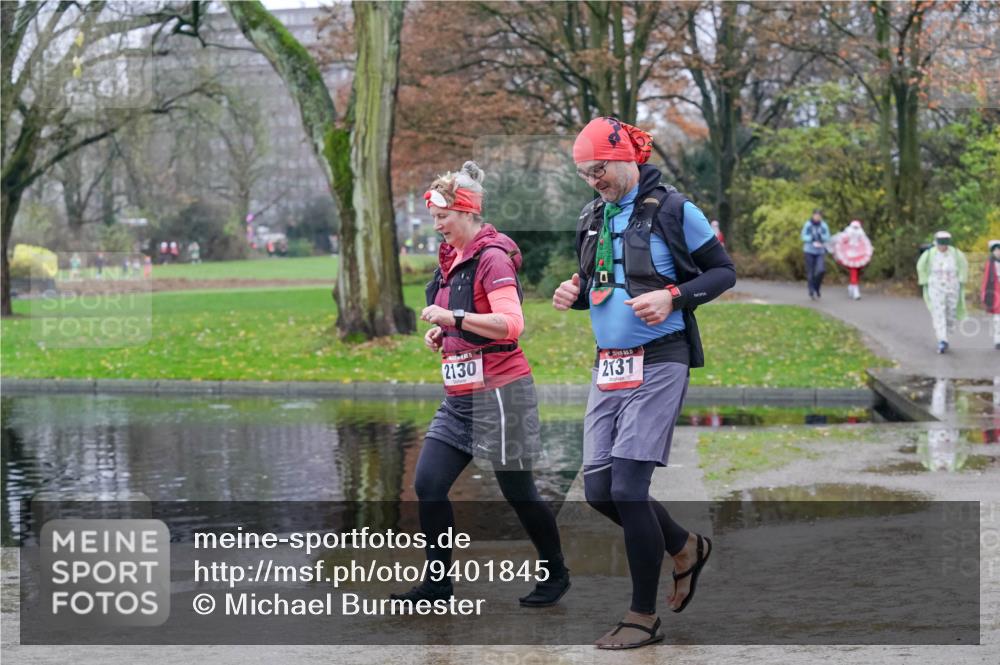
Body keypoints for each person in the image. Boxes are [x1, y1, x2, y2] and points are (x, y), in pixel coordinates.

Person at [552, 117, 735, 649]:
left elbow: (722, 272)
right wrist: (575, 293)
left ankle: (642, 616)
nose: (594, 181)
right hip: (609, 364)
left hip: (660, 359)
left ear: (626, 157)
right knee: (599, 491)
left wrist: (673, 297)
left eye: (600, 169)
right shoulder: (591, 216)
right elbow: (597, 283)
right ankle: (684, 547)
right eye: (585, 174)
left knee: (630, 488)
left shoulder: (677, 211)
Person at [390, 161, 570, 609]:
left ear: (467, 212)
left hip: (502, 395)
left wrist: (453, 318)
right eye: (433, 218)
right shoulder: (452, 260)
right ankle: (437, 585)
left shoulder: (491, 259)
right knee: (428, 484)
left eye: (443, 217)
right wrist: (445, 333)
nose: (437, 226)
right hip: (459, 399)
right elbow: (464, 319)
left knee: (518, 491)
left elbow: (512, 324)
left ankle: (556, 572)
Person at [917, 231, 969, 354]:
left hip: (952, 287)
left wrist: (962, 278)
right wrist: (924, 280)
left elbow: (963, 265)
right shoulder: (930, 254)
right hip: (935, 287)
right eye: (940, 245)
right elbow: (920, 266)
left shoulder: (955, 253)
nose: (942, 247)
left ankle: (947, 330)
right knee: (938, 312)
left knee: (951, 312)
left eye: (944, 245)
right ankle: (942, 339)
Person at [832, 220, 874, 300]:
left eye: (857, 228)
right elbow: (839, 243)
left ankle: (852, 286)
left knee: (857, 271)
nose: (855, 230)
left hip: (858, 256)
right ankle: (855, 290)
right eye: (854, 228)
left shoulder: (862, 236)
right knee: (853, 270)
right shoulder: (846, 235)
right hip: (849, 256)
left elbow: (866, 244)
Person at [801, 208, 830, 300]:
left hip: (820, 251)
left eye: (819, 216)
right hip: (809, 250)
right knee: (811, 272)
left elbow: (827, 237)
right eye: (816, 215)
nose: (817, 217)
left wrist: (822, 237)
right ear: (813, 215)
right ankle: (811, 291)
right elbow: (803, 236)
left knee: (821, 270)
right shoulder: (808, 224)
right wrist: (811, 238)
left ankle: (817, 287)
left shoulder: (824, 225)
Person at [982, 239, 1000, 350]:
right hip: (996, 292)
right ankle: (998, 339)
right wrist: (985, 294)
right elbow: (986, 280)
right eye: (996, 250)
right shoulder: (990, 263)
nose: (998, 252)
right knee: (998, 318)